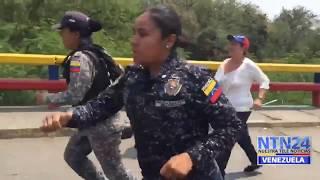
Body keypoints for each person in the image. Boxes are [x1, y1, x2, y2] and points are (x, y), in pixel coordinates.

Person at [40, 6, 244, 180]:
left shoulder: (195, 77)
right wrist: (69, 116)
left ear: (169, 40)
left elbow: (231, 126)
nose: (133, 41)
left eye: (143, 34)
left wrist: (191, 157)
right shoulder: (133, 77)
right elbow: (100, 106)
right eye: (134, 33)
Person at [37, 11, 134, 180]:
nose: (61, 35)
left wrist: (47, 98)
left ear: (75, 33)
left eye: (63, 31)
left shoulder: (80, 59)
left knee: (118, 175)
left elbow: (75, 94)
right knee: (73, 155)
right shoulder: (101, 53)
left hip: (102, 126)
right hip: (92, 121)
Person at [215, 35, 270, 177]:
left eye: (235, 44)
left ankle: (219, 172)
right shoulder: (224, 63)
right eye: (230, 43)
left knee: (228, 137)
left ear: (243, 48)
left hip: (241, 108)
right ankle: (256, 159)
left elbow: (265, 80)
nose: (231, 46)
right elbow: (215, 85)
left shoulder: (249, 65)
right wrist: (206, 99)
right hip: (224, 107)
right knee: (241, 136)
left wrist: (260, 98)